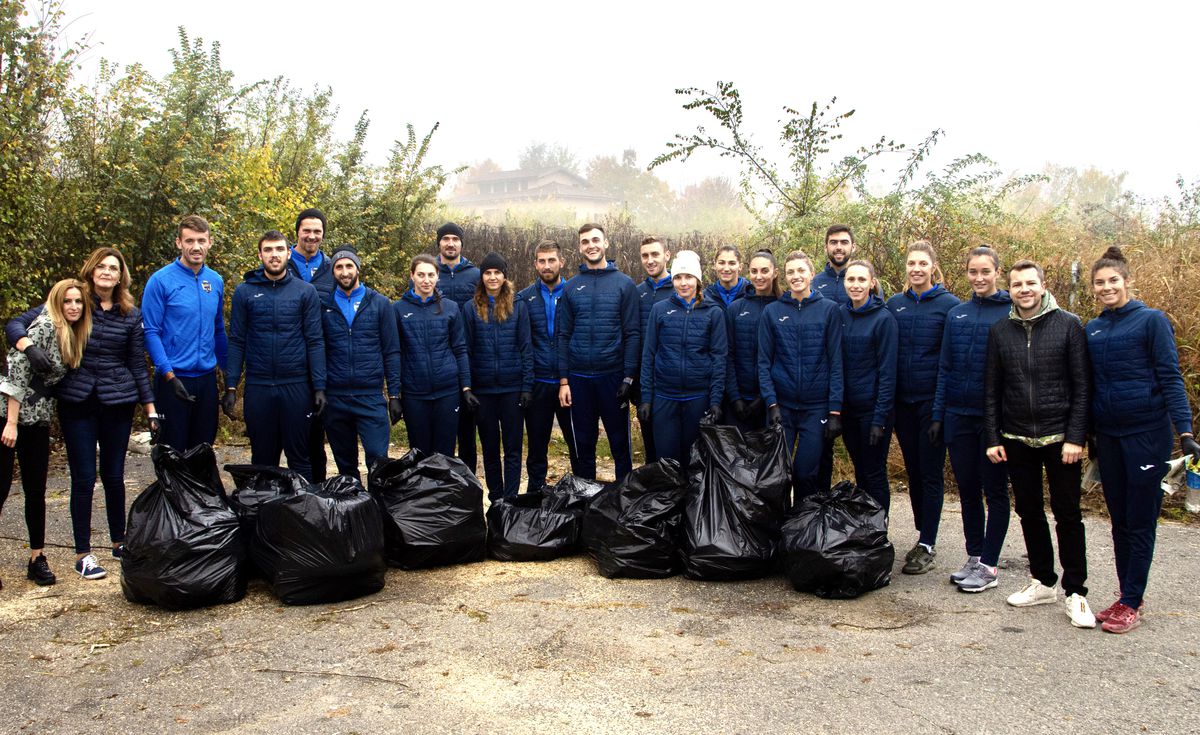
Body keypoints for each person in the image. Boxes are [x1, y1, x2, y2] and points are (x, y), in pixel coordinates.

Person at [8, 248, 160, 581]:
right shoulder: (74, 301)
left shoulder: (130, 314)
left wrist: (150, 409)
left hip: (118, 401)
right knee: (83, 478)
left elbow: (137, 362)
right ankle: (83, 554)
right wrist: (28, 347)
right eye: (102, 267)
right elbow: (17, 323)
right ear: (91, 271)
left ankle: (120, 543)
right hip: (77, 400)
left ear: (121, 276)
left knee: (115, 476)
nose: (107, 272)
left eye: (114, 268)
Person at [1086, 246, 1200, 633]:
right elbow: (1089, 386)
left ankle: (1132, 600)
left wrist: (1185, 433)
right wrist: (1089, 437)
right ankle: (1124, 595)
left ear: (1127, 281)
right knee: (1119, 519)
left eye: (1113, 281)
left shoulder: (1151, 321)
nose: (1106, 287)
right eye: (1099, 282)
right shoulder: (1093, 328)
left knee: (1141, 518)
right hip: (1109, 437)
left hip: (1146, 435)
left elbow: (1170, 377)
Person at [984, 259, 1094, 628]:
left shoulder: (1069, 326)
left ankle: (1076, 592)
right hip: (1016, 437)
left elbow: (1082, 387)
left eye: (1030, 283)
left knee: (1067, 514)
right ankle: (1043, 580)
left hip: (1060, 438)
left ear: (1043, 286)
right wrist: (992, 437)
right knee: (1029, 511)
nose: (1024, 290)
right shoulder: (1001, 331)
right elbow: (992, 390)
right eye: (1017, 285)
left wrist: (1076, 436)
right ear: (1009, 289)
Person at [0, 279, 90, 587]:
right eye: (68, 301)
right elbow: (16, 370)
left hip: (37, 419)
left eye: (78, 301)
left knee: (36, 491)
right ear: (57, 303)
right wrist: (11, 423)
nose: (74, 306)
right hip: (8, 416)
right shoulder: (42, 328)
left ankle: (36, 557)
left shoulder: (74, 335)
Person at [932, 246, 1012, 593]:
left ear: (998, 272)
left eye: (985, 271)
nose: (979, 278)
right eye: (973, 272)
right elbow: (945, 367)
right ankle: (974, 555)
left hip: (995, 419)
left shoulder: (1011, 312)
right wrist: (939, 413)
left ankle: (990, 565)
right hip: (958, 414)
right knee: (967, 490)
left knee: (994, 490)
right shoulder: (958, 314)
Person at [223, 231, 326, 481]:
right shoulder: (245, 292)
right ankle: (264, 517)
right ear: (260, 255)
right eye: (268, 250)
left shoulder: (305, 292)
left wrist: (320, 387)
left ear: (288, 253)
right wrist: (231, 386)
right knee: (262, 458)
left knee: (299, 457)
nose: (274, 255)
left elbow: (314, 340)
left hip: (296, 385)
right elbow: (237, 341)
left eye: (279, 249)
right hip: (259, 386)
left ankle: (303, 515)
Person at [886, 241, 959, 575]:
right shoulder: (895, 305)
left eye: (922, 263)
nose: (916, 269)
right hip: (902, 402)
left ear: (933, 266)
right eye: (911, 263)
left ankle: (928, 541)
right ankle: (922, 531)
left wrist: (941, 409)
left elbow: (950, 362)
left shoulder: (949, 306)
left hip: (932, 402)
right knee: (913, 469)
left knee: (930, 472)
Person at [758, 250, 843, 507]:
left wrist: (835, 411)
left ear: (811, 273)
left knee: (805, 472)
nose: (796, 276)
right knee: (779, 475)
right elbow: (763, 362)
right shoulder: (773, 312)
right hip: (782, 406)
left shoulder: (828, 310)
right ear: (785, 277)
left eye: (801, 271)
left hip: (815, 407)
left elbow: (836, 362)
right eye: (791, 272)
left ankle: (802, 529)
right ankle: (781, 531)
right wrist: (771, 403)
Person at [557, 223, 639, 482]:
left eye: (595, 240)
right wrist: (564, 381)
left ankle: (623, 501)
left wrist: (628, 377)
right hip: (579, 378)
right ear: (580, 247)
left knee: (619, 446)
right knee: (584, 446)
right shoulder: (571, 287)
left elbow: (632, 333)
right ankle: (586, 503)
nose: (591, 245)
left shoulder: (624, 284)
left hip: (612, 377)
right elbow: (563, 335)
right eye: (585, 241)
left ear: (606, 244)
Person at [140, 214, 228, 452]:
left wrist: (229, 379)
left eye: (201, 240)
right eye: (189, 241)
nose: (196, 247)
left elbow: (218, 329)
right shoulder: (160, 281)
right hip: (173, 380)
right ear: (179, 243)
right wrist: (168, 374)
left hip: (206, 379)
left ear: (210, 242)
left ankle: (200, 492)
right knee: (173, 453)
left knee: (203, 450)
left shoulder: (215, 281)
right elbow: (151, 332)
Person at [318, 246, 403, 482]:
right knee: (346, 466)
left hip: (370, 397)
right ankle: (353, 514)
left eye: (349, 266)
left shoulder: (379, 304)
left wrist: (394, 394)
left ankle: (378, 513)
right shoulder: (323, 306)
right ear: (332, 271)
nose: (344, 272)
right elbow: (317, 349)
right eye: (339, 267)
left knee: (378, 460)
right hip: (336, 398)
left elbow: (392, 351)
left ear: (358, 268)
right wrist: (319, 388)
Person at [638, 251, 727, 470]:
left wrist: (715, 401)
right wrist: (647, 398)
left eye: (688, 277)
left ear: (698, 279)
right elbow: (649, 354)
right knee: (667, 461)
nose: (683, 283)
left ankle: (692, 504)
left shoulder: (713, 313)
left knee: (693, 462)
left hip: (698, 397)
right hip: (665, 396)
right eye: (678, 277)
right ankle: (669, 503)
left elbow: (719, 358)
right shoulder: (660, 310)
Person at [464, 252, 533, 500]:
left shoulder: (518, 306)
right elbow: (466, 350)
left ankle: (511, 499)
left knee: (513, 449)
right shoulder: (470, 309)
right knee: (490, 449)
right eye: (488, 273)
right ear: (482, 277)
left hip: (512, 388)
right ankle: (496, 498)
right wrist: (467, 387)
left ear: (505, 276)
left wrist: (527, 386)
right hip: (483, 391)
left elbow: (526, 347)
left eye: (497, 272)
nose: (492, 277)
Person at [393, 254, 473, 457]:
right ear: (412, 276)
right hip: (415, 392)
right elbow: (394, 352)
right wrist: (394, 394)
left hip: (447, 390)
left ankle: (444, 490)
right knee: (420, 452)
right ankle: (421, 490)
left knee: (444, 453)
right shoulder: (398, 309)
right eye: (421, 274)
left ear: (438, 277)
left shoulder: (451, 308)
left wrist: (466, 387)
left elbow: (460, 348)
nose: (426, 280)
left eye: (430, 275)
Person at [517, 240, 581, 492]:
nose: (546, 265)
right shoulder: (524, 298)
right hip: (539, 383)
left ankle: (582, 493)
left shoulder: (575, 292)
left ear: (561, 262)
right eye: (541, 261)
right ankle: (535, 494)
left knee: (578, 444)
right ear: (535, 264)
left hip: (570, 383)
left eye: (551, 260)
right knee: (536, 446)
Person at [839, 260, 897, 510]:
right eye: (851, 279)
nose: (856, 285)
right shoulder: (840, 314)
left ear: (872, 283)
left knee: (874, 472)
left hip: (873, 411)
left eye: (862, 280)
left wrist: (879, 419)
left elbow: (887, 373)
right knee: (860, 471)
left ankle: (880, 530)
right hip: (848, 410)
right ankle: (865, 530)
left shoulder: (883, 319)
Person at [433, 223, 482, 476]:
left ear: (462, 244)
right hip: (439, 360)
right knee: (441, 432)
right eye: (445, 239)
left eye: (455, 239)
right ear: (439, 243)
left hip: (469, 357)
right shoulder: (429, 272)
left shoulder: (474, 275)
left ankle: (468, 485)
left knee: (467, 431)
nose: (450, 243)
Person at [288, 208, 334, 481]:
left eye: (317, 232)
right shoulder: (283, 263)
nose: (312, 236)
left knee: (316, 435)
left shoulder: (331, 268)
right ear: (297, 232)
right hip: (289, 360)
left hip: (321, 359)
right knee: (289, 437)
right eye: (307, 230)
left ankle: (318, 496)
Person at [725, 249, 780, 431]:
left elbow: (784, 357)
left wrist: (763, 397)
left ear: (775, 272)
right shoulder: (735, 309)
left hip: (772, 401)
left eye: (764, 271)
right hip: (738, 400)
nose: (759, 276)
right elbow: (728, 354)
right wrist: (734, 397)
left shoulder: (783, 308)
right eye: (754, 271)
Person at [635, 236, 674, 461]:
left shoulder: (681, 289)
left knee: (674, 450)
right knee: (651, 450)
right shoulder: (637, 292)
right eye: (645, 256)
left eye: (655, 254)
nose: (650, 260)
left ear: (667, 255)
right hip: (645, 383)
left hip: (674, 384)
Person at [811, 224, 858, 307]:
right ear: (826, 248)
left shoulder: (863, 282)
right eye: (833, 242)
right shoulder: (814, 283)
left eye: (844, 242)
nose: (839, 247)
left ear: (853, 247)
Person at [702, 244, 750, 310]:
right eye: (721, 263)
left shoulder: (751, 293)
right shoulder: (706, 296)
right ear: (715, 265)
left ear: (740, 267)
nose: (726, 269)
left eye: (732, 263)